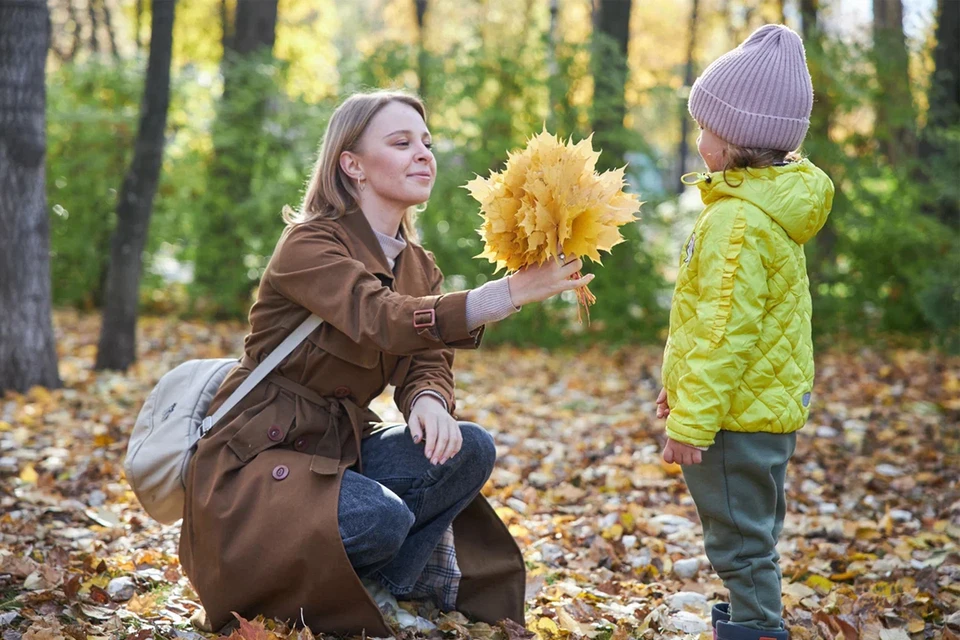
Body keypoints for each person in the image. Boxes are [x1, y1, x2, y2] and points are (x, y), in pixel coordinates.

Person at [179, 90, 594, 636]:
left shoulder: (420, 266)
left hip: (337, 456)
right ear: (352, 165)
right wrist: (506, 294)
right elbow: (380, 317)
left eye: (426, 142)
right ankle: (287, 589)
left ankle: (383, 590)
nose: (422, 153)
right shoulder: (309, 244)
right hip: (255, 465)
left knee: (469, 448)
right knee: (380, 516)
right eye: (400, 143)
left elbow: (425, 357)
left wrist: (427, 401)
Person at [655, 24, 834, 640]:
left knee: (738, 541)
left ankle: (757, 629)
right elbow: (722, 325)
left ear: (729, 141)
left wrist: (691, 421)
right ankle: (750, 617)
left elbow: (723, 331)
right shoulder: (766, 210)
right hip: (756, 411)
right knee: (750, 529)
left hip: (733, 419)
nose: (699, 138)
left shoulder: (736, 220)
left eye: (704, 127)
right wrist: (678, 389)